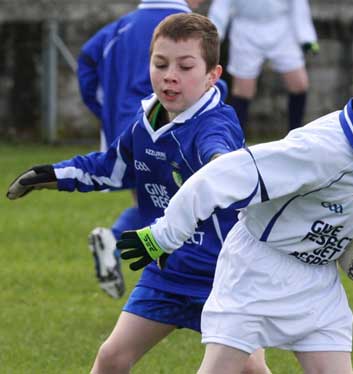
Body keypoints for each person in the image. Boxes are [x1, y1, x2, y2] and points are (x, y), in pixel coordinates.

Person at [113, 48, 353, 373]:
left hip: (318, 282)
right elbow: (217, 176)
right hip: (256, 271)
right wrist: (162, 235)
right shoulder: (317, 151)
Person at [7, 13, 270, 374]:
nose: (169, 75)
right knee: (111, 359)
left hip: (224, 278)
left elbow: (221, 159)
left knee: (251, 370)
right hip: (166, 274)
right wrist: (52, 175)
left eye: (185, 66)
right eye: (159, 64)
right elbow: (109, 168)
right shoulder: (145, 121)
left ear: (213, 76)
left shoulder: (216, 123)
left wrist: (222, 165)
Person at [77, 0, 207, 299]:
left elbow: (86, 64)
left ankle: (157, 282)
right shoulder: (189, 30)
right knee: (182, 206)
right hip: (165, 126)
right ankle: (124, 250)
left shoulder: (120, 27)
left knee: (152, 205)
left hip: (125, 128)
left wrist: (106, 111)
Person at [208, 0, 319, 134]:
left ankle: (296, 135)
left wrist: (307, 38)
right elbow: (221, 5)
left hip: (281, 27)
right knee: (243, 90)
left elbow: (298, 5)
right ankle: (236, 140)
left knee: (299, 83)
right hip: (245, 29)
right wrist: (213, 35)